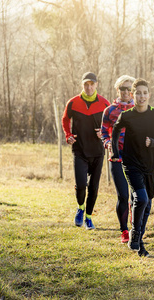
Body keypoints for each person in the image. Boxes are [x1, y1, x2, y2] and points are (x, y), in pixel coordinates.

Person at [111, 78, 154, 257]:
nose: (141, 96)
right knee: (141, 199)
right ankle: (135, 234)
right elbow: (115, 132)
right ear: (132, 95)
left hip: (150, 166)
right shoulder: (127, 116)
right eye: (138, 93)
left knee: (147, 204)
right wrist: (115, 153)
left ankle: (139, 242)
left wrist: (153, 143)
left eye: (145, 93)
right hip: (131, 164)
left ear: (149, 95)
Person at [62, 72, 110, 230]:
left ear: (96, 84)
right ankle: (80, 208)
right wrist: (68, 135)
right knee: (81, 185)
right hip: (80, 150)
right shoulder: (73, 102)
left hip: (97, 151)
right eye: (86, 84)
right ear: (82, 85)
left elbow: (112, 124)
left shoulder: (104, 104)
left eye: (92, 84)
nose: (89, 87)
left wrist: (104, 134)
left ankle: (89, 217)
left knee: (94, 187)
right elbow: (65, 119)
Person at [101, 75, 135, 244]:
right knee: (123, 195)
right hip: (117, 157)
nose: (126, 92)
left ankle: (136, 226)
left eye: (129, 89)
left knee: (137, 196)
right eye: (123, 89)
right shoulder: (110, 110)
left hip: (136, 158)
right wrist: (107, 143)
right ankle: (124, 231)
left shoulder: (140, 109)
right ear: (118, 90)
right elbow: (104, 131)